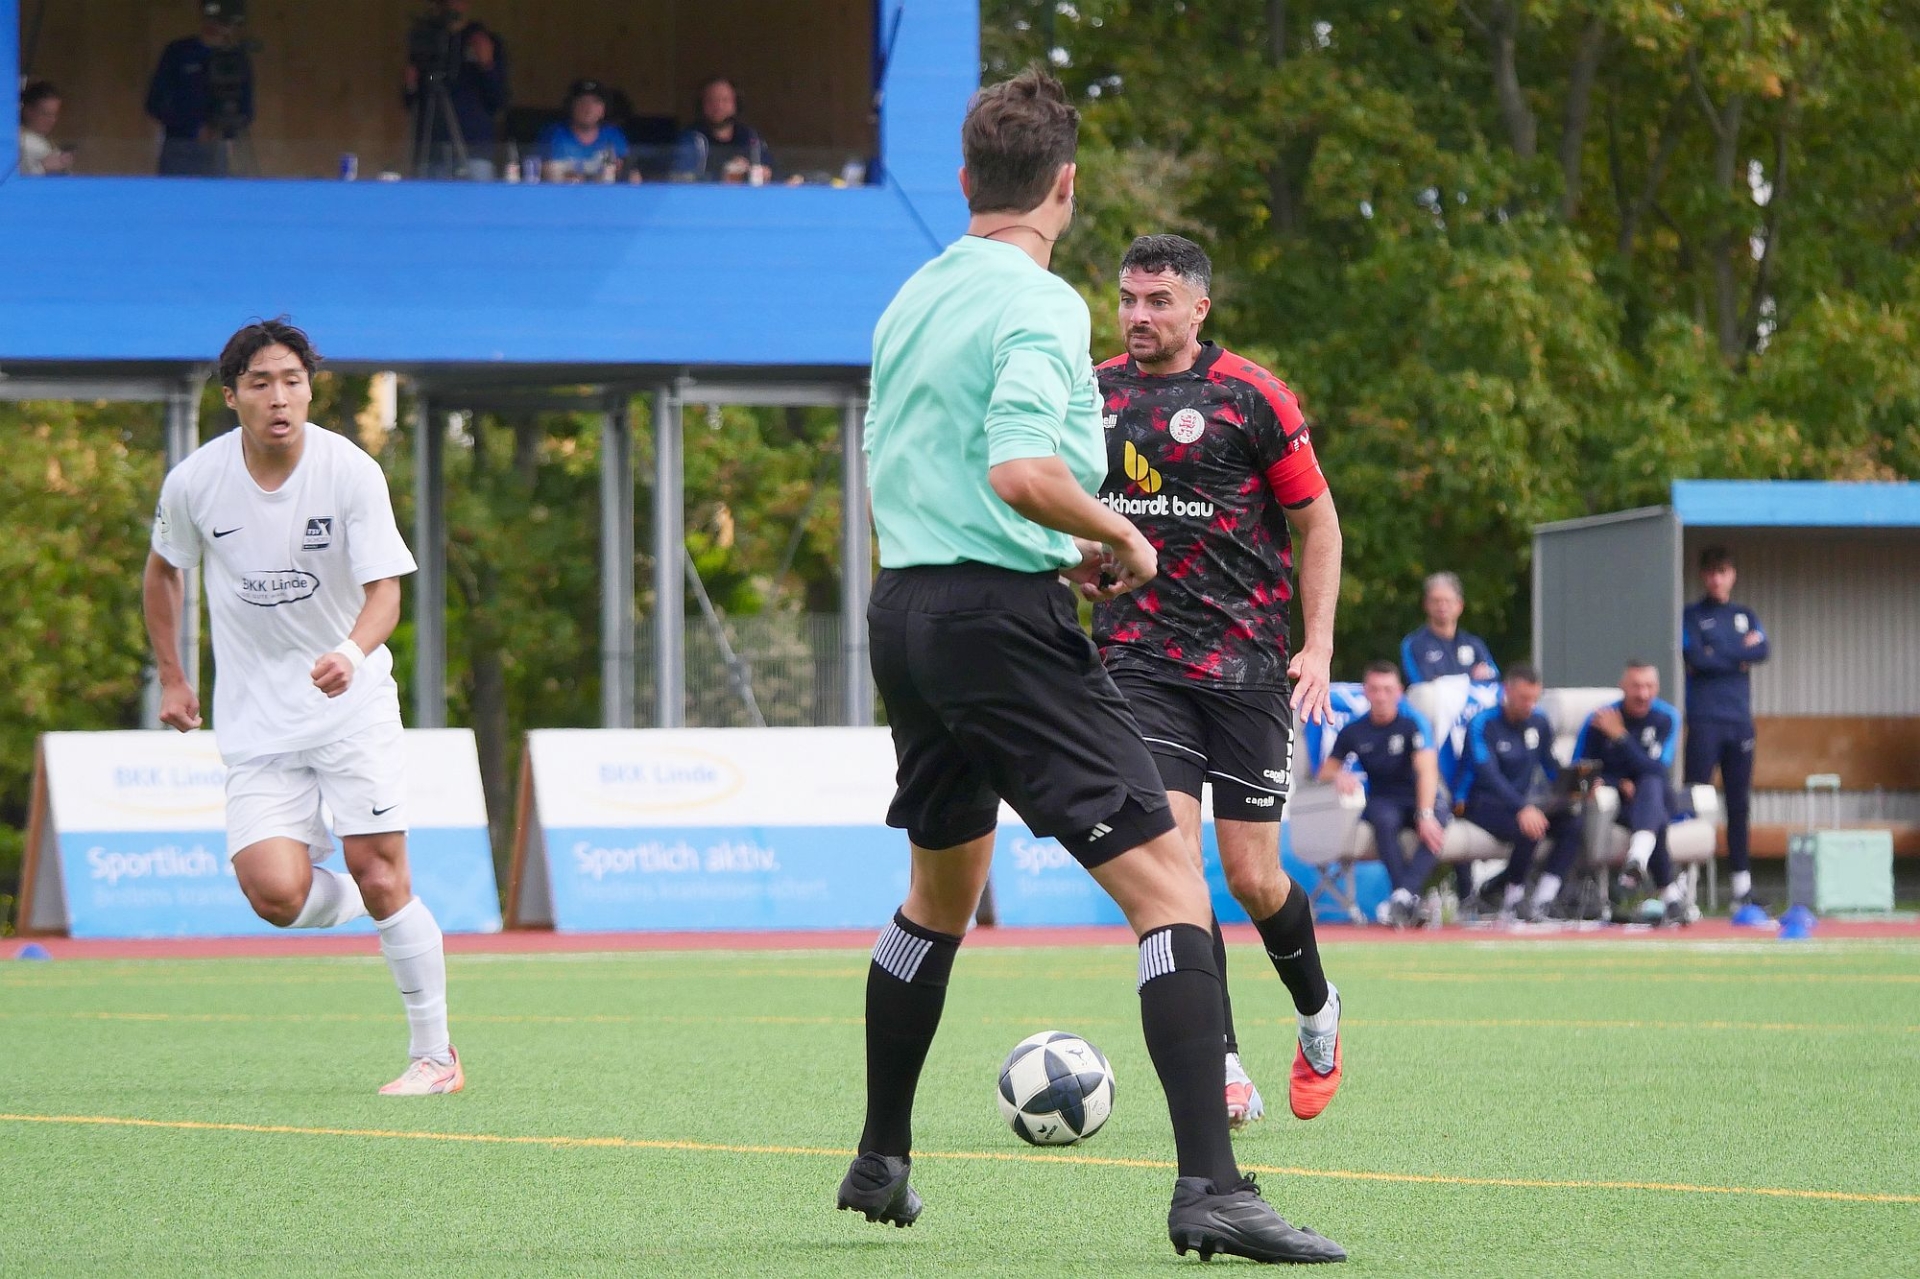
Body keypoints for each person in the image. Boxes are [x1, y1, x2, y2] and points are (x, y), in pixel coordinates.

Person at [839, 69, 1343, 1265]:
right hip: (996, 621)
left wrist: (1057, 545)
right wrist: (1121, 536)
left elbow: (932, 464)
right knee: (1172, 891)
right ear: (1064, 186)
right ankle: (1212, 1188)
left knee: (937, 897)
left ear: (966, 180)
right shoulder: (1041, 303)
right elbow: (1020, 468)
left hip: (905, 608)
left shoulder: (912, 296)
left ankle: (881, 1155)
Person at [143, 319, 462, 1094]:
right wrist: (174, 678)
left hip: (352, 708)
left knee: (381, 867)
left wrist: (349, 653)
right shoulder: (195, 481)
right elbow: (163, 572)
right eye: (260, 383)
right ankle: (371, 891)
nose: (279, 397)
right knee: (275, 894)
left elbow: (386, 593)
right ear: (232, 397)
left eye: (292, 380)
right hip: (256, 720)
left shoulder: (349, 472)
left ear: (310, 390)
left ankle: (436, 1056)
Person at [1091, 233, 1344, 1132]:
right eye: (1129, 298)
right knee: (1172, 868)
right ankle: (1224, 1060)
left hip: (1245, 668)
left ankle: (1317, 1007)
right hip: (1138, 662)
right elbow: (1058, 500)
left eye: (1157, 300)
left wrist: (1317, 645)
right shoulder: (1091, 395)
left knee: (1253, 876)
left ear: (1199, 307)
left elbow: (1319, 525)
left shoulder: (1253, 395)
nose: (1138, 316)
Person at [1317, 660, 1447, 927]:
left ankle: (1402, 895)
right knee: (1384, 820)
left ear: (1399, 692)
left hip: (1417, 796)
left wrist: (1425, 814)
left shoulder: (1413, 725)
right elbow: (1325, 771)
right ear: (1366, 692)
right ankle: (1407, 898)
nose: (1381, 696)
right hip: (1383, 798)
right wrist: (1339, 775)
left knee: (1438, 817)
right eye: (1375, 689)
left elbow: (1427, 771)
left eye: (1387, 690)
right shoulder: (1354, 730)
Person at [1456, 664, 1582, 923]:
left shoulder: (1539, 722)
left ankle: (1544, 898)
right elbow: (1488, 775)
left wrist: (1577, 785)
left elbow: (1550, 766)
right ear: (1507, 691)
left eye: (1534, 699)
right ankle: (1513, 899)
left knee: (1573, 825)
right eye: (1524, 698)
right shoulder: (1483, 724)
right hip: (1479, 801)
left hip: (1521, 801)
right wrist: (1522, 807)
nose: (1529, 705)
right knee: (1530, 826)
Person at [1682, 546, 1769, 912]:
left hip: (1739, 722)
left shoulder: (1744, 614)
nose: (1717, 578)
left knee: (1738, 804)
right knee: (1695, 800)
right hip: (1705, 720)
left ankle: (1740, 888)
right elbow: (1695, 658)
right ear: (1703, 575)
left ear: (1732, 575)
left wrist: (1719, 653)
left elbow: (1762, 651)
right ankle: (1684, 887)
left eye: (1724, 572)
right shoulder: (1691, 615)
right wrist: (1737, 654)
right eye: (1711, 572)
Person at [1572, 660, 1689, 927]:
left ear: (1657, 688)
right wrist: (1616, 782)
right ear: (1622, 687)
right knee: (1655, 816)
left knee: (1651, 783)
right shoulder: (1600, 719)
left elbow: (1658, 768)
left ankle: (1638, 859)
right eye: (1636, 686)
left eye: (1649, 686)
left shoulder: (1666, 717)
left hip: (1658, 795)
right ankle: (1667, 892)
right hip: (1619, 805)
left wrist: (1621, 737)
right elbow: (1581, 768)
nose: (1643, 693)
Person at [144, 0, 253, 177]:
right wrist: (192, 128)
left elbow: (246, 108)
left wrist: (224, 130)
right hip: (179, 146)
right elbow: (155, 102)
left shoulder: (237, 59)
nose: (214, 25)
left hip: (217, 148)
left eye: (222, 21)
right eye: (211, 19)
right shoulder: (178, 52)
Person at [404, 0, 508, 180]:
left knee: (476, 198)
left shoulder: (482, 41)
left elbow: (499, 100)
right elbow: (413, 102)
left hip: (474, 148)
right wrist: (411, 85)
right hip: (433, 148)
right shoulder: (428, 43)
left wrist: (487, 66)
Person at [669, 76, 771, 183]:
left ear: (736, 104)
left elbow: (773, 169)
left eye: (725, 100)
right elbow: (680, 178)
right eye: (711, 100)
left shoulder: (749, 136)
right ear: (701, 105)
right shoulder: (691, 139)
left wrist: (763, 172)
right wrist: (720, 175)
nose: (718, 106)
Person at [1401, 571, 1498, 684]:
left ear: (1460, 605)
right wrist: (1469, 678)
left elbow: (1494, 674)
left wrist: (1486, 673)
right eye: (1436, 601)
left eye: (1448, 601)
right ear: (1426, 604)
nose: (1442, 606)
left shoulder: (1474, 643)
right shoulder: (1414, 644)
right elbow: (1420, 681)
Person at [537, 79, 629, 181]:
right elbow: (549, 172)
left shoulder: (613, 135)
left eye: (595, 102)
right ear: (571, 106)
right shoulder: (555, 134)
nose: (588, 108)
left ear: (603, 109)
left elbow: (621, 172)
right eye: (582, 101)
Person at [18, 81, 72, 176]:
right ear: (28, 111)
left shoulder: (43, 140)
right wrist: (43, 168)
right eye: (46, 114)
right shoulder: (21, 142)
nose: (52, 120)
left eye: (54, 115)